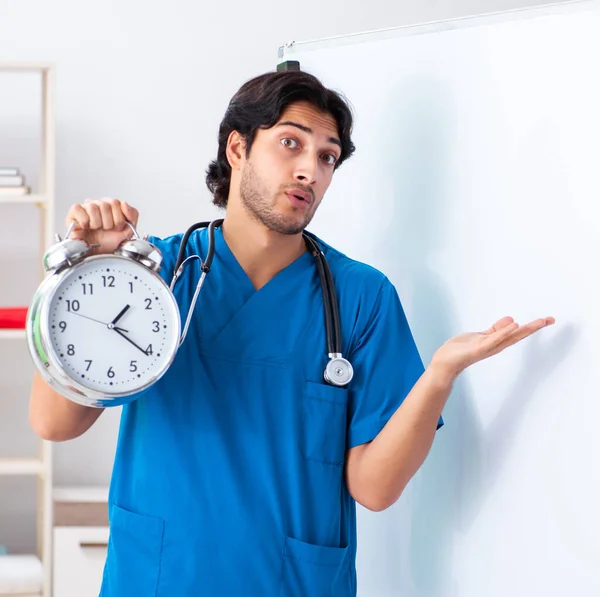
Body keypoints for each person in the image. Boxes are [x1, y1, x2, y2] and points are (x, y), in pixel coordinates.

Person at [29, 70, 555, 597]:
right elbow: (54, 422)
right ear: (238, 148)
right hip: (162, 578)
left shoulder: (359, 297)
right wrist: (86, 274)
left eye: (327, 157)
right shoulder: (157, 276)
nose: (310, 170)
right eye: (290, 143)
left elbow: (373, 488)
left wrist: (440, 375)